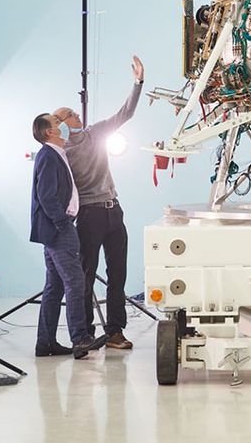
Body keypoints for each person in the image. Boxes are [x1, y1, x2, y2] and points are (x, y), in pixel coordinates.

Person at [52, 54, 144, 350]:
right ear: (62, 127)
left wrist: (138, 82)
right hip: (88, 217)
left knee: (117, 274)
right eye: (72, 117)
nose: (79, 118)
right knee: (86, 276)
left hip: (113, 211)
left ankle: (115, 331)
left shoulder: (95, 134)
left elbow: (124, 114)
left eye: (76, 116)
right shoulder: (61, 153)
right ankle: (86, 334)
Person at [29, 113, 101, 359]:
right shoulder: (49, 155)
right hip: (60, 229)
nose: (60, 123)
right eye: (55, 122)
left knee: (55, 286)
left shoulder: (54, 153)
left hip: (55, 229)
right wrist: (62, 223)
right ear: (49, 131)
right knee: (75, 282)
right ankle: (80, 339)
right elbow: (46, 195)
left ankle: (46, 343)